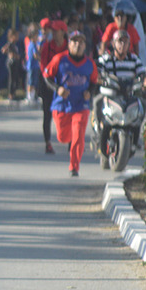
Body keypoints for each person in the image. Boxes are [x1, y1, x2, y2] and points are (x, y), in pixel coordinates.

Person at [43, 32, 97, 176]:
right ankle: (70, 140)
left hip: (81, 105)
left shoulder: (89, 63)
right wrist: (58, 88)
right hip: (62, 106)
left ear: (85, 45)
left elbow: (94, 81)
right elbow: (47, 76)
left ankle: (74, 166)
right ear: (69, 44)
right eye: (74, 41)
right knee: (63, 137)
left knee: (78, 134)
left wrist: (89, 92)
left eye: (81, 42)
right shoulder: (60, 59)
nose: (78, 45)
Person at [93, 29, 146, 158]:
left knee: (142, 105)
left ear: (129, 45)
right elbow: (98, 71)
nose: (122, 45)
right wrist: (101, 78)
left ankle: (135, 138)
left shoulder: (134, 59)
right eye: (119, 42)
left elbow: (142, 73)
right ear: (113, 43)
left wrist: (145, 82)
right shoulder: (106, 59)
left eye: (125, 42)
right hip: (110, 93)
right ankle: (98, 129)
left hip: (128, 94)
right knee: (97, 102)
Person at [37, 19, 67, 154]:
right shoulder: (47, 46)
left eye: (56, 31)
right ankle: (48, 142)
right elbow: (43, 67)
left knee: (68, 112)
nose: (53, 33)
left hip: (65, 84)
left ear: (63, 32)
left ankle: (70, 139)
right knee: (47, 114)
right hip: (49, 84)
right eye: (52, 30)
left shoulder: (69, 47)